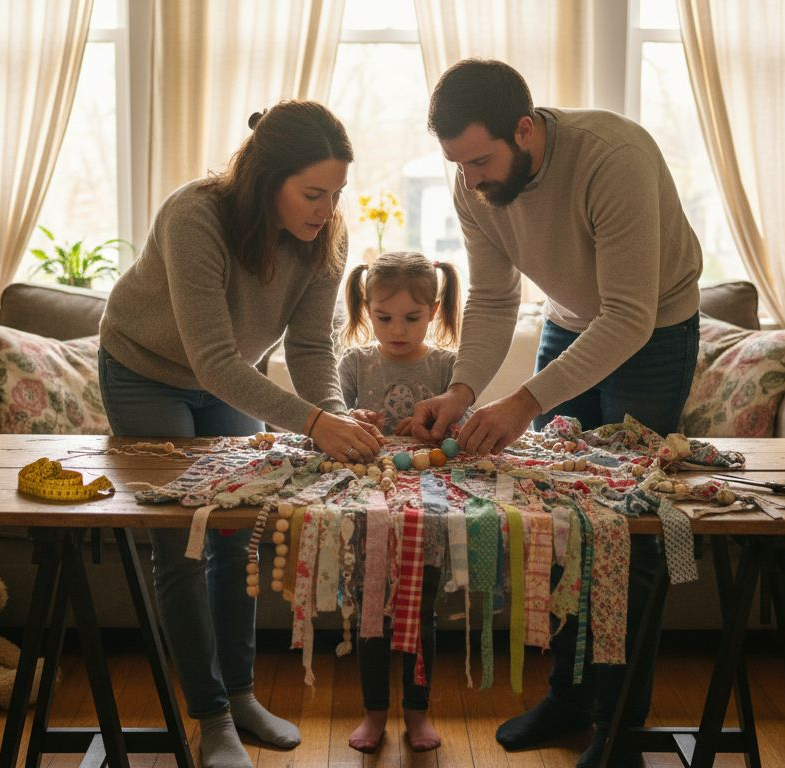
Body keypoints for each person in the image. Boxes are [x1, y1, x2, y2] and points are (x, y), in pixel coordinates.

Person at [407, 59, 703, 768]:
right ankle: (570, 697)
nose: (471, 180)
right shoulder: (472, 180)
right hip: (571, 324)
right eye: (458, 164)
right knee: (561, 514)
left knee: (624, 528)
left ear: (526, 128)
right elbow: (494, 298)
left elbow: (629, 315)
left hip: (654, 330)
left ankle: (618, 721)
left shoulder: (614, 159)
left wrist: (525, 399)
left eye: (481, 160)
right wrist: (463, 389)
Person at [97, 100, 383, 768]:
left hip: (228, 378)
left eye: (337, 192)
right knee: (186, 541)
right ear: (266, 179)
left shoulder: (326, 236)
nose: (326, 208)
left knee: (237, 535)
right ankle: (212, 716)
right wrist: (317, 424)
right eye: (313, 192)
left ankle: (243, 694)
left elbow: (313, 347)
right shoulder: (193, 214)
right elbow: (213, 361)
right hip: (148, 371)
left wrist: (333, 416)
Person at [335, 250, 462, 753]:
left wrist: (435, 432)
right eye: (384, 318)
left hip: (426, 510)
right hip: (368, 505)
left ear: (433, 311)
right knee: (371, 611)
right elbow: (332, 427)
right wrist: (354, 420)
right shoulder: (353, 363)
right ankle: (373, 713)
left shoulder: (449, 366)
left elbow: (460, 440)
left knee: (418, 610)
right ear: (366, 309)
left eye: (412, 318)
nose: (397, 330)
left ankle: (417, 712)